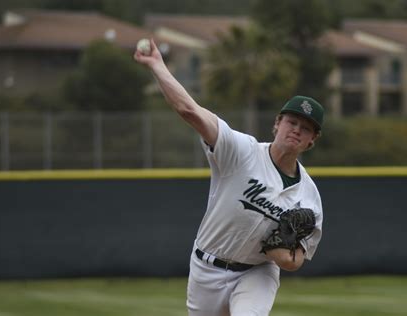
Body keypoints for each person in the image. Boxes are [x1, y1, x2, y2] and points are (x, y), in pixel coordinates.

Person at [134, 39, 323, 316]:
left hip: (257, 273)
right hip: (205, 268)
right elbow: (190, 111)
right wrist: (157, 66)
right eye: (292, 122)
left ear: (311, 141)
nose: (296, 130)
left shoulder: (309, 197)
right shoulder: (241, 151)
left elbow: (295, 262)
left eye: (305, 128)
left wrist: (279, 252)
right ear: (277, 123)